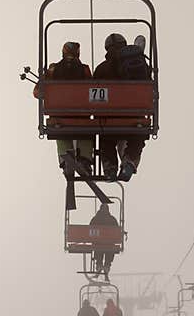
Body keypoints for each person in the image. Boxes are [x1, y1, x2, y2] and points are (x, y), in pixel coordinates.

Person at [93, 33, 151, 182]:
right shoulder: (139, 65)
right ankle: (130, 160)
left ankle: (109, 166)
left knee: (106, 138)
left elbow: (92, 95)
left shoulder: (101, 69)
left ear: (107, 49)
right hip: (134, 115)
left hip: (108, 118)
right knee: (137, 135)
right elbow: (149, 87)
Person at [34, 41, 94, 178]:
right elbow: (92, 88)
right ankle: (85, 160)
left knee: (60, 133)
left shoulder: (52, 69)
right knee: (86, 133)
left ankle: (65, 160)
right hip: (81, 116)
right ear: (78, 53)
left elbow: (37, 92)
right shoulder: (84, 69)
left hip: (58, 115)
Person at [89, 203, 120, 280]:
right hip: (110, 245)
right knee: (109, 254)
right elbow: (117, 231)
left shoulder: (95, 219)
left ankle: (99, 267)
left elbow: (89, 230)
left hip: (98, 244)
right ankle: (106, 269)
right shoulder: (112, 219)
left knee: (98, 253)